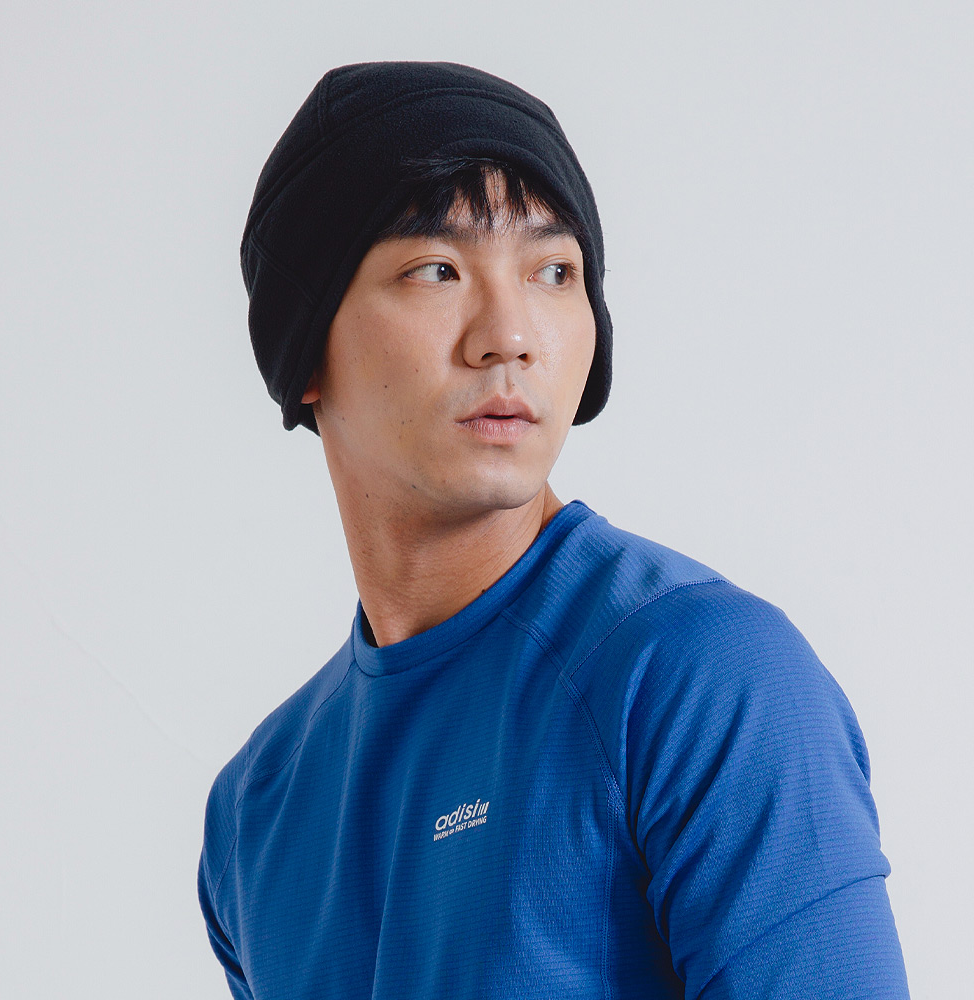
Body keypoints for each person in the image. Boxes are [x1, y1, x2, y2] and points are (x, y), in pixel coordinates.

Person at [198, 61, 909, 998]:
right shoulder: (254, 808)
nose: (511, 334)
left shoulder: (705, 676)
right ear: (303, 353)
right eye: (437, 269)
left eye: (553, 272)